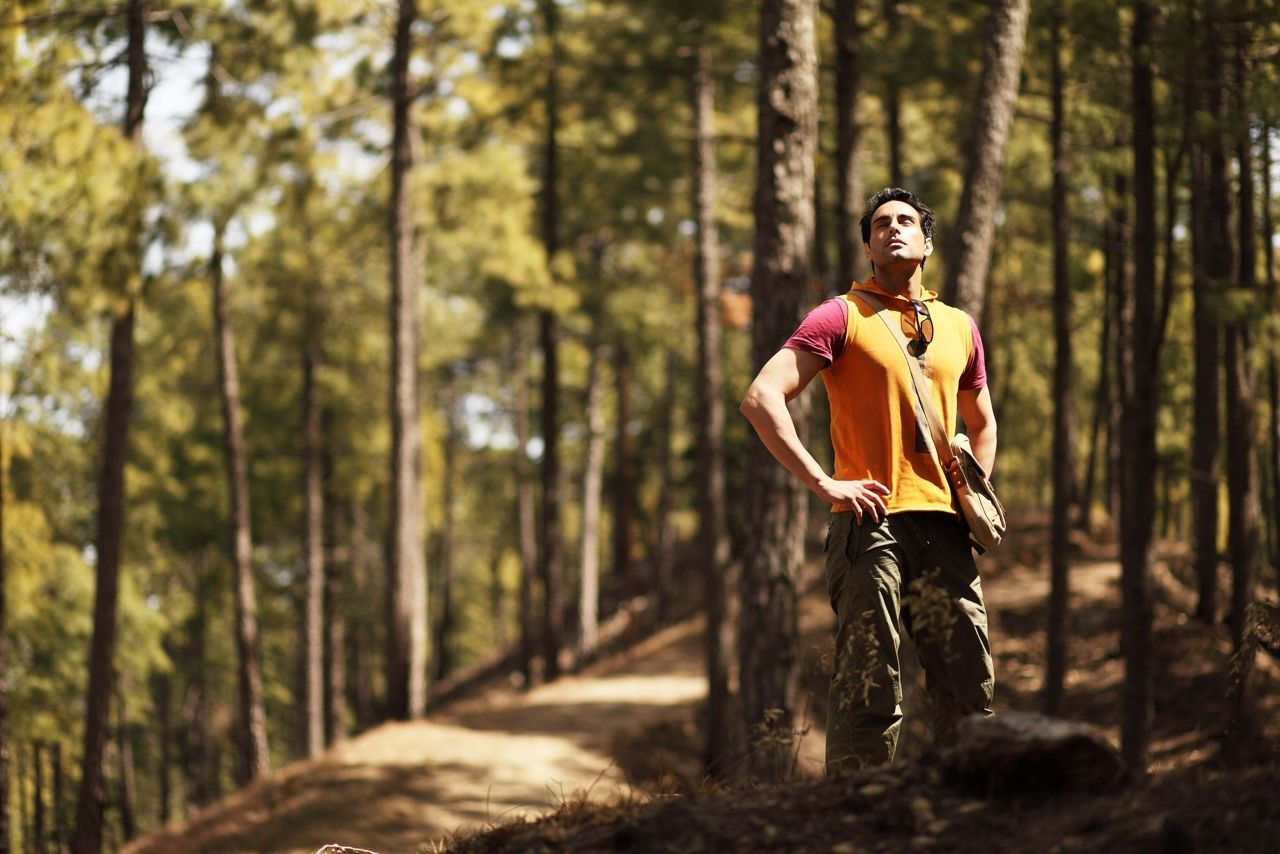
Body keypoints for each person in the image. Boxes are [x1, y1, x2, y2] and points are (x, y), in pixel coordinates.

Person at [740, 187, 997, 775]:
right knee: (869, 685)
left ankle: (973, 815)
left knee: (968, 686)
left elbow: (983, 423)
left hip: (946, 530)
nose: (894, 229)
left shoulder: (960, 327)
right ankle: (857, 813)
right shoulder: (841, 315)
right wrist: (826, 484)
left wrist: (973, 492)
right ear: (867, 246)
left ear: (928, 243)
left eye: (907, 221)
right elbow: (761, 398)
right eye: (880, 224)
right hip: (870, 525)